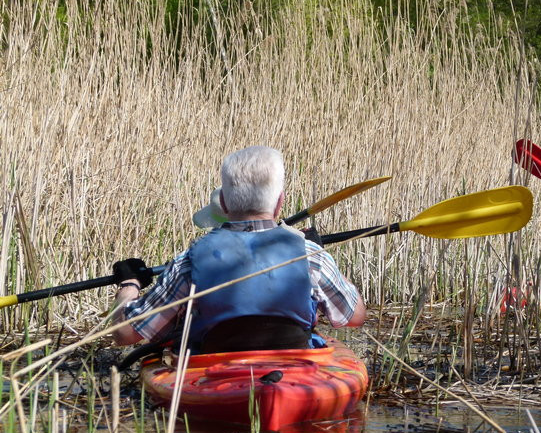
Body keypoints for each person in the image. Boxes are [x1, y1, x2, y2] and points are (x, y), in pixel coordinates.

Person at [109, 145, 366, 352]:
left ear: (223, 202)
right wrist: (318, 253)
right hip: (293, 370)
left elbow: (125, 333)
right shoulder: (311, 255)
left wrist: (129, 285)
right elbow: (354, 317)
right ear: (280, 203)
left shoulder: (188, 261)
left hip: (214, 372)